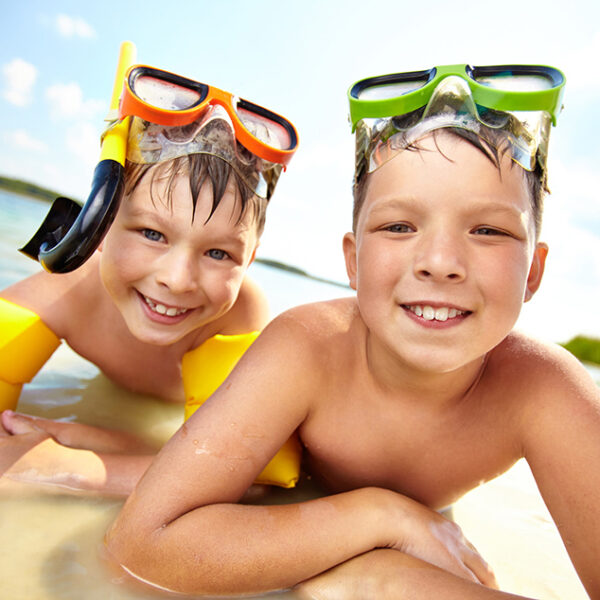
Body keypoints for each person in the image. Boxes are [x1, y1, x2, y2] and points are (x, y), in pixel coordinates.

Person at [105, 64, 600, 599]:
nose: (440, 262)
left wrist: (392, 579)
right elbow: (140, 548)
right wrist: (383, 519)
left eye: (488, 230)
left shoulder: (544, 392)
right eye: (399, 226)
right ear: (354, 261)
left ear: (533, 272)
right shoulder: (307, 349)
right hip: (286, 507)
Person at [0, 50, 301, 495]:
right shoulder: (64, 292)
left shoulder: (237, 315)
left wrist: (70, 467)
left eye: (218, 254)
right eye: (152, 234)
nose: (178, 280)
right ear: (98, 225)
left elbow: (251, 475)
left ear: (251, 258)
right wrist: (117, 443)